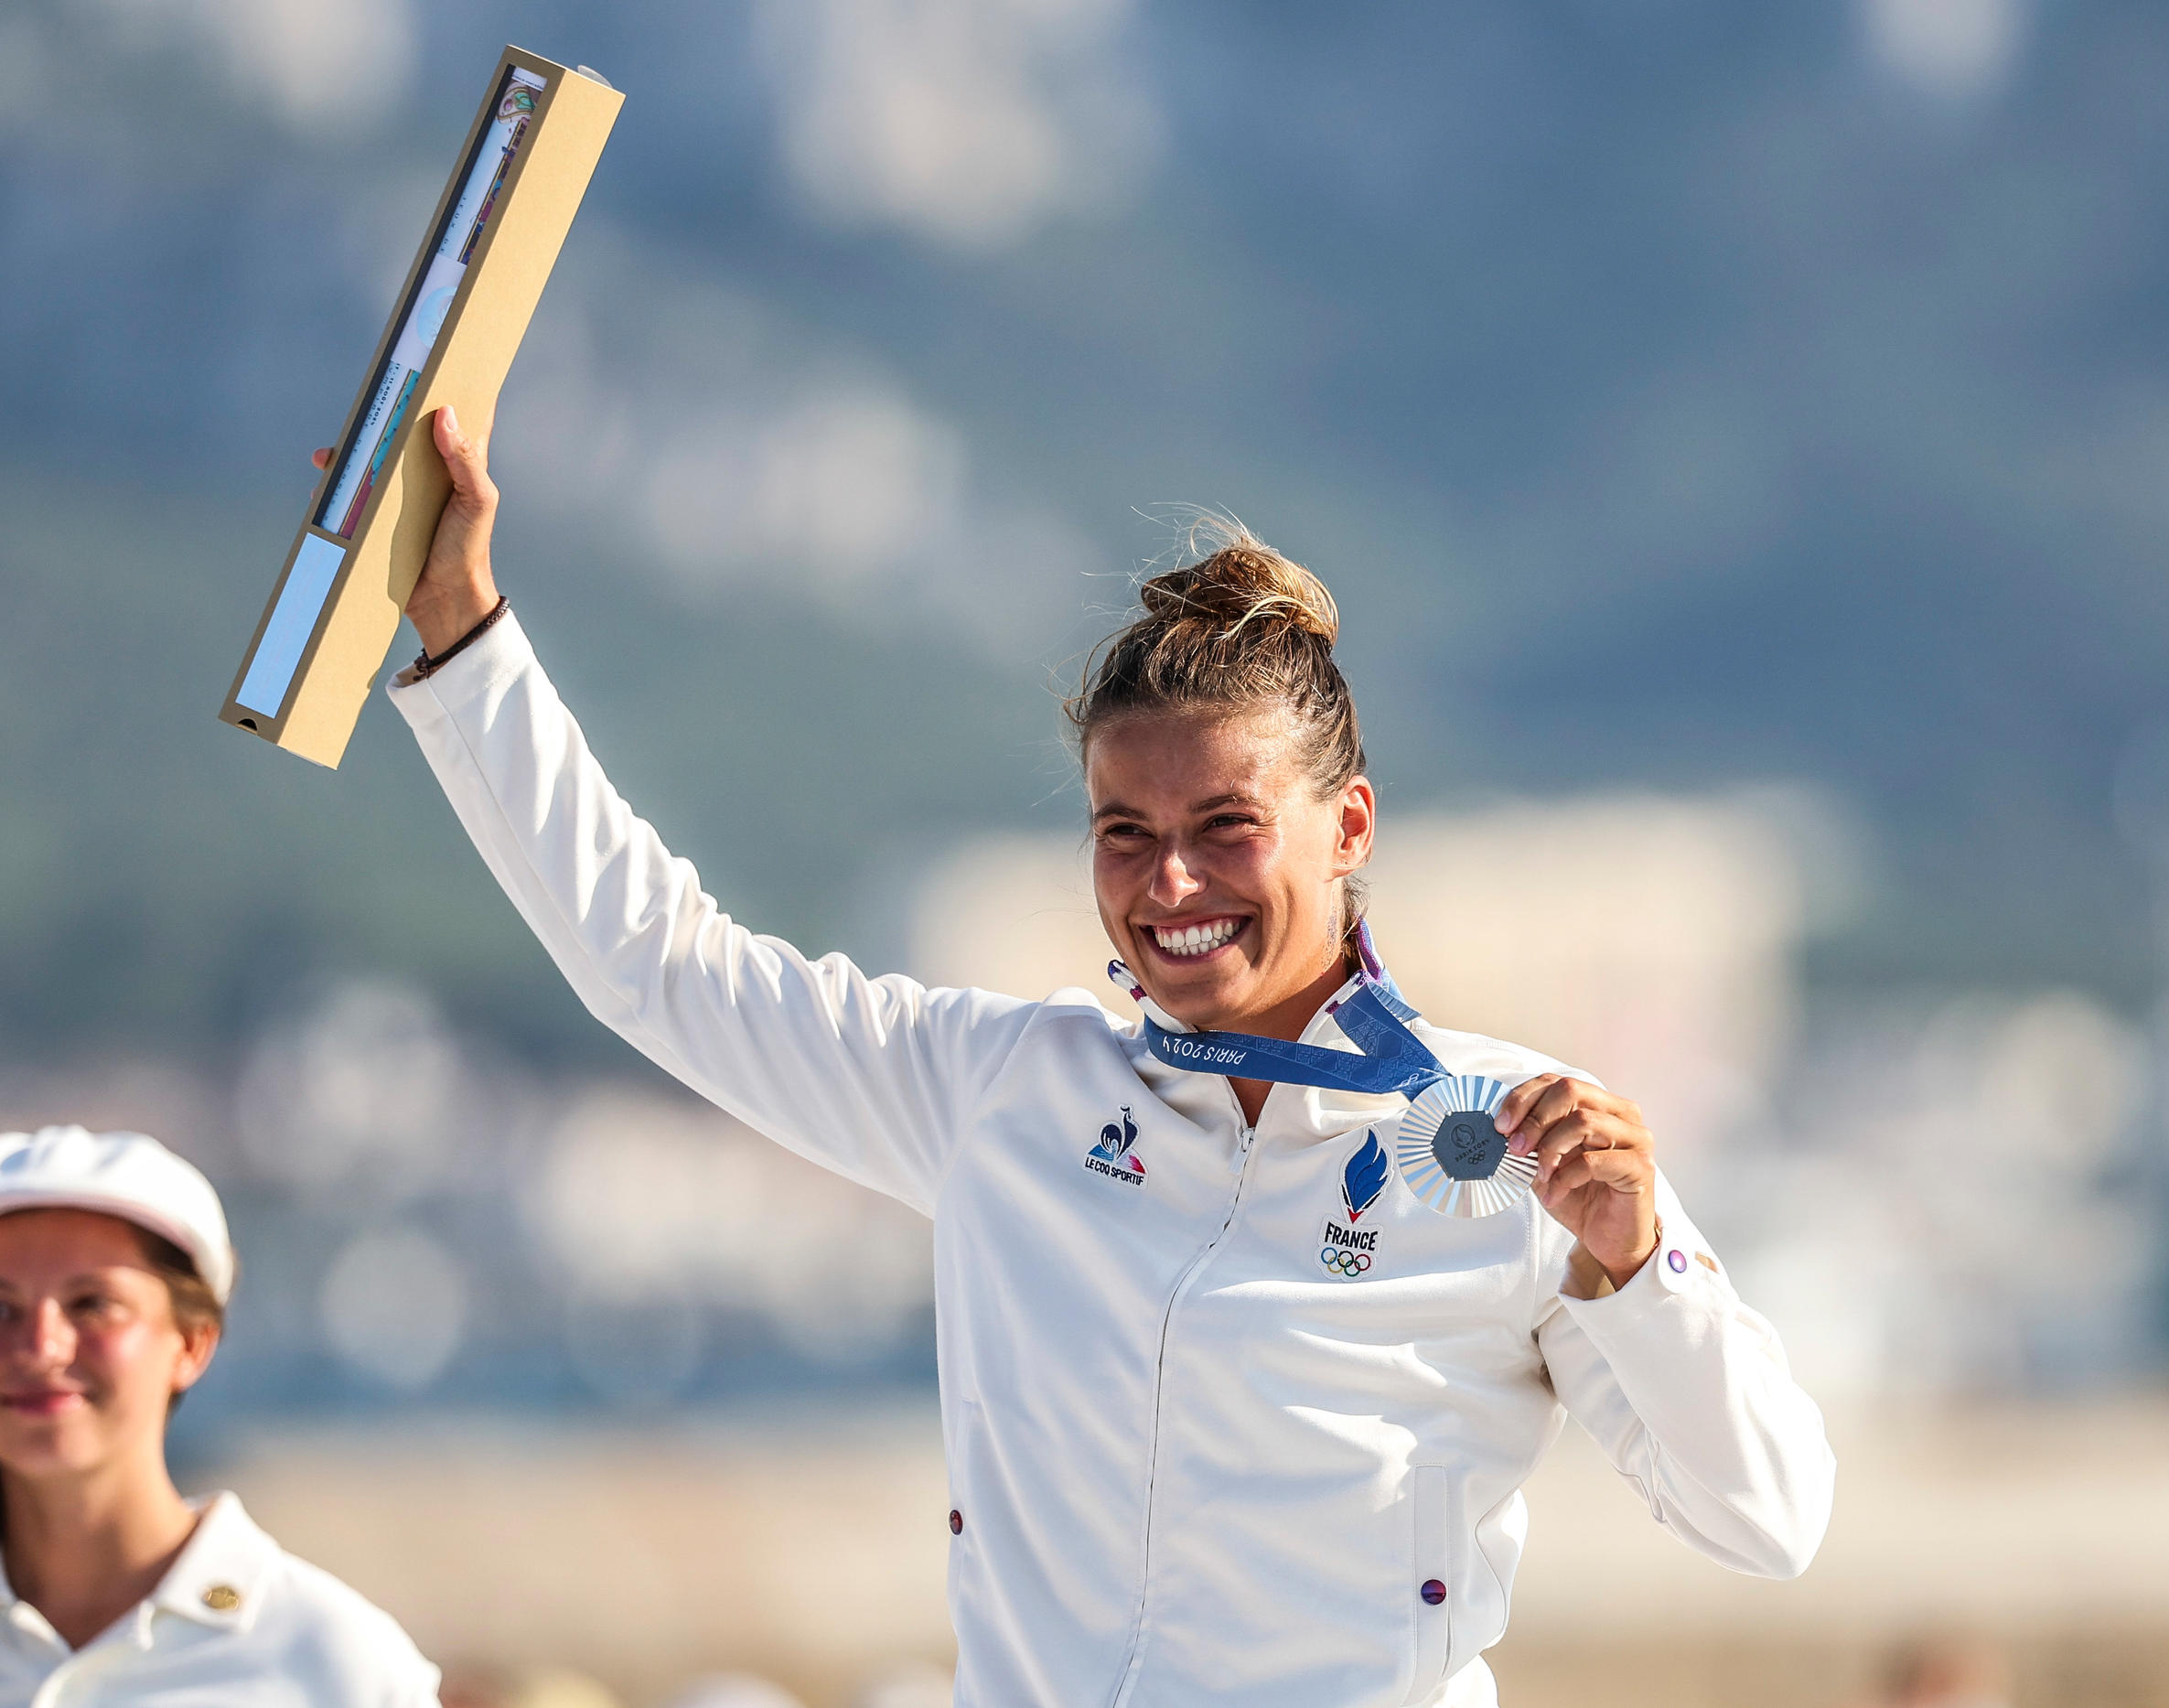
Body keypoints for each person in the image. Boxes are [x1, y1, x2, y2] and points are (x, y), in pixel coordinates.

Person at [361, 410, 1833, 1707]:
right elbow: (663, 966)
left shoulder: (1512, 1140)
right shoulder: (1010, 1089)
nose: (1170, 884)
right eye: (1125, 834)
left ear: (1352, 825)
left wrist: (1637, 1270)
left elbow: (1768, 1514)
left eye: (1225, 826)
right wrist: (467, 635)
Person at [0, 1124, 442, 1706]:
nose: (41, 1346)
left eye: (93, 1305)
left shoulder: (336, 1666)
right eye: (1, 1307)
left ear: (192, 1344)